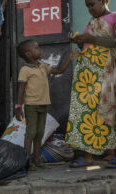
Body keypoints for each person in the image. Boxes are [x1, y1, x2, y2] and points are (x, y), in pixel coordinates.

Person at [66, 0, 116, 169]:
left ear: (103, 0)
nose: (90, 9)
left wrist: (90, 39)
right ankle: (87, 156)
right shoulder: (93, 21)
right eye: (87, 6)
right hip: (88, 73)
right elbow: (89, 40)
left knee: (109, 109)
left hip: (107, 70)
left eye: (92, 4)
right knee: (86, 111)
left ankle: (115, 153)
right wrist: (79, 39)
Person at [15, 40, 78, 170]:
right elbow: (21, 88)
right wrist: (18, 107)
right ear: (28, 54)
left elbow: (59, 70)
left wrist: (69, 58)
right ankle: (27, 162)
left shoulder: (42, 66)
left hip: (44, 105)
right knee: (31, 133)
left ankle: (36, 160)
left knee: (40, 133)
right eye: (36, 48)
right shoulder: (25, 70)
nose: (39, 50)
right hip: (31, 106)